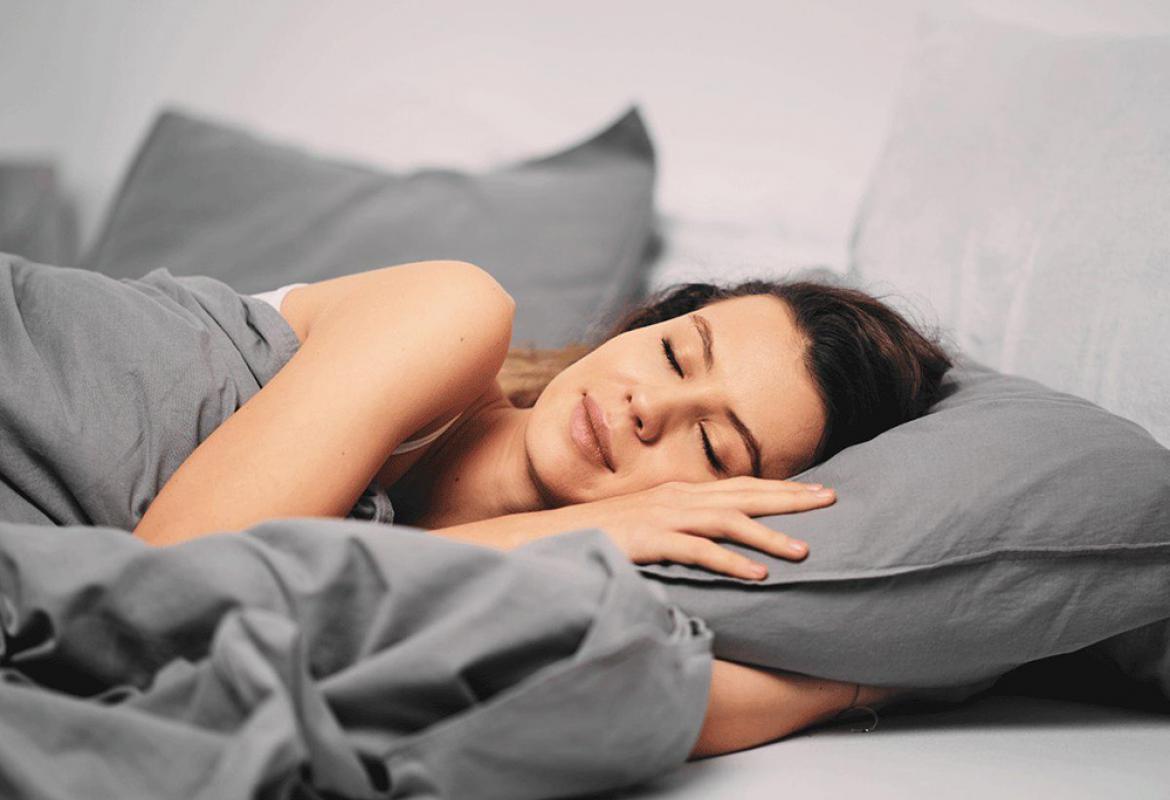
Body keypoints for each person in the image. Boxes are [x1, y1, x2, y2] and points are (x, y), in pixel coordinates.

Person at [132, 259, 953, 760]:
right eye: (675, 353)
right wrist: (580, 526)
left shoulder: (531, 601)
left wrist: (854, 688)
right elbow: (164, 592)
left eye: (711, 447)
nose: (649, 406)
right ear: (641, 327)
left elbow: (624, 697)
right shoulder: (452, 310)